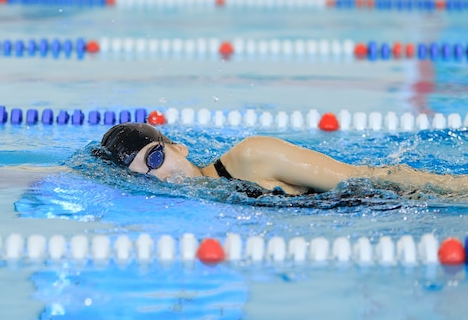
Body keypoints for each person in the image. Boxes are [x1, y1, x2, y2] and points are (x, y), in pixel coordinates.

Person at [96, 122, 468, 196]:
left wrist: (456, 189)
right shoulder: (202, 206)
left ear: (179, 147)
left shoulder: (252, 156)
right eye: (144, 175)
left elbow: (365, 177)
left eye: (156, 157)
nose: (159, 177)